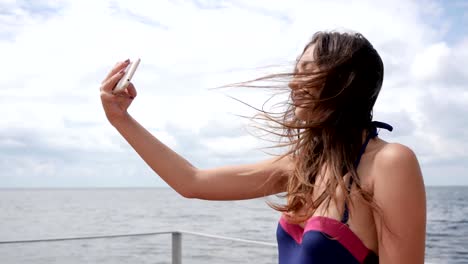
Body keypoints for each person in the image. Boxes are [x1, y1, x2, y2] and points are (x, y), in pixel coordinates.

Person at [99, 31, 426, 263]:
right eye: (296, 71)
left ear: (345, 82)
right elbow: (192, 181)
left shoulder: (389, 162)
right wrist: (120, 119)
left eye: (308, 72)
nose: (293, 83)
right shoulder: (302, 165)